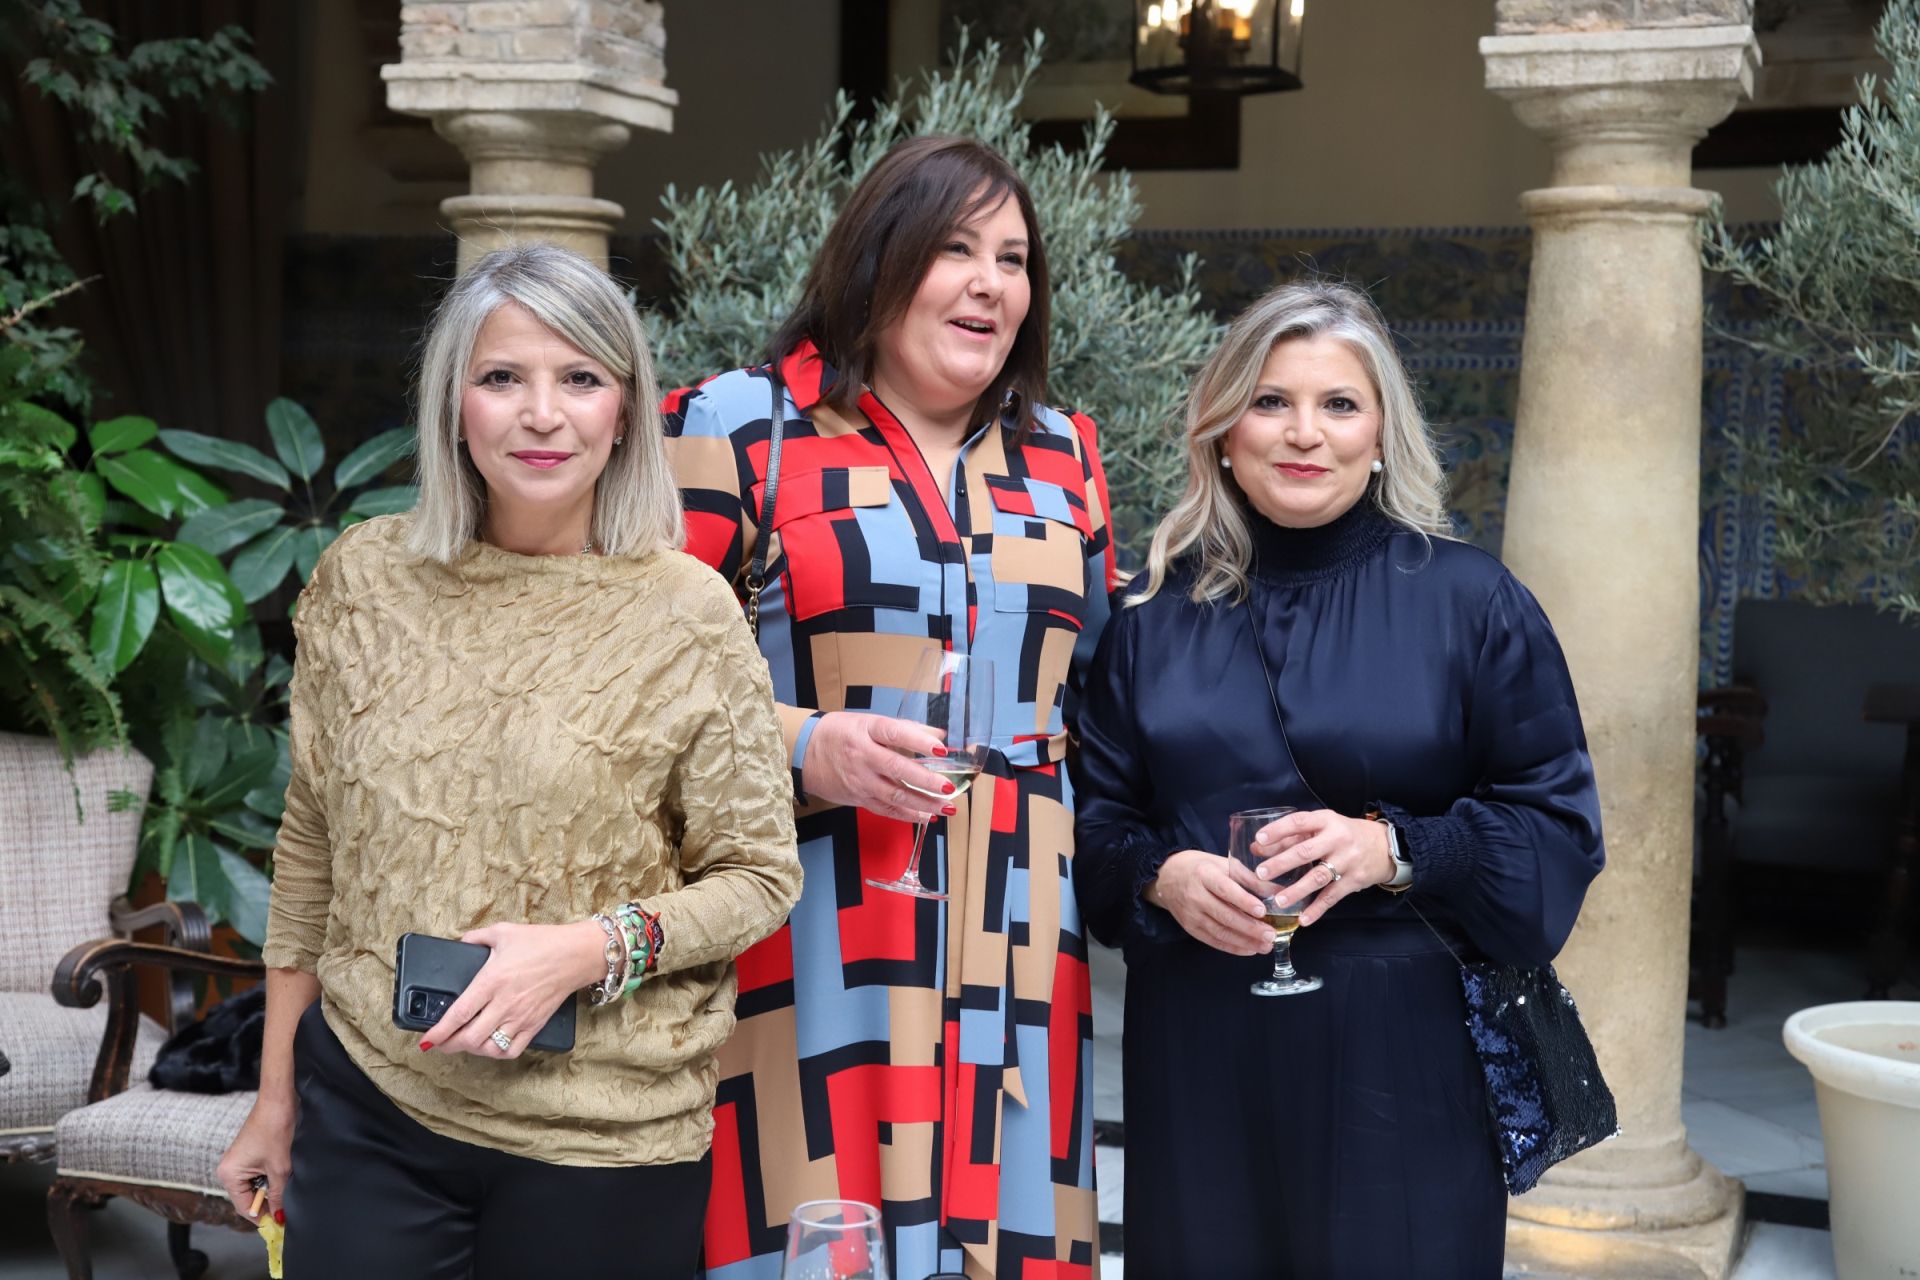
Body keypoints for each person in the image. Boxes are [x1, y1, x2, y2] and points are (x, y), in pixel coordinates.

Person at [215, 242, 802, 1278]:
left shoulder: (687, 613)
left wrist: (586, 949)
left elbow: (759, 874)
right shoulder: (363, 580)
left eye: (579, 377)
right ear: (453, 405)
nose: (542, 413)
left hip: (607, 1139)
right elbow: (311, 845)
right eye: (502, 378)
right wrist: (276, 1100)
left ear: (624, 409)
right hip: (373, 1105)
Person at [1071, 280, 1605, 1279]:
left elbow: (1558, 827)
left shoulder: (1473, 601)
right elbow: (1091, 825)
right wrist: (1159, 875)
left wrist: (1397, 847)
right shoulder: (1148, 617)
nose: (1302, 433)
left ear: (1380, 435)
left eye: (1339, 404)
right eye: (1271, 401)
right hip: (1202, 1042)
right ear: (1224, 429)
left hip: (1403, 1053)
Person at [665, 135, 1116, 1279]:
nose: (990, 282)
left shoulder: (1065, 455)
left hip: (1019, 921)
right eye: (956, 248)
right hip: (809, 919)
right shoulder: (737, 428)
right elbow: (634, 687)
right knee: (813, 1237)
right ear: (878, 258)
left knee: (1011, 1237)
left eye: (1013, 259)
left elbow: (1108, 691)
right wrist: (808, 741)